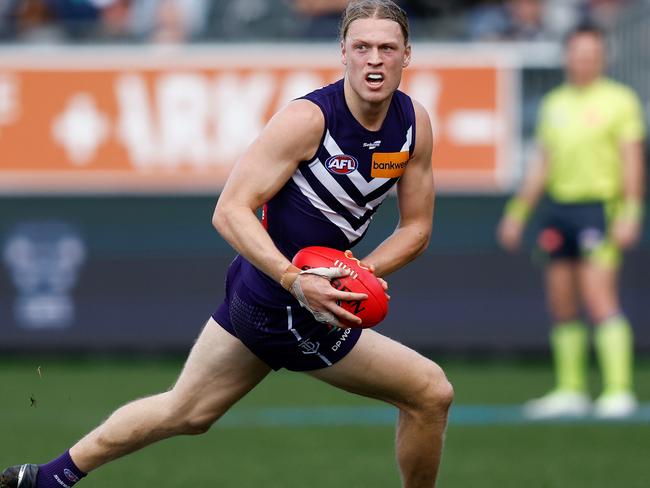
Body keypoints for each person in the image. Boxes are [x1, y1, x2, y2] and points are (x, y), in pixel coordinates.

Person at [1, 1, 453, 487]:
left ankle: (47, 479)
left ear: (407, 55)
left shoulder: (413, 123)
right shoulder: (309, 119)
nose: (374, 59)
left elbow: (417, 229)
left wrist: (353, 273)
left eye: (387, 48)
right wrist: (299, 282)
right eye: (361, 47)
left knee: (187, 410)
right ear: (342, 51)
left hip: (284, 293)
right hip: (281, 298)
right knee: (430, 392)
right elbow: (229, 209)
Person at [497, 24, 645, 419]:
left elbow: (632, 161)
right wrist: (517, 213)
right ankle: (571, 389)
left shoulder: (620, 101)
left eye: (591, 53)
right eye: (577, 53)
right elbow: (542, 163)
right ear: (568, 56)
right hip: (557, 211)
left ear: (602, 57)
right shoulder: (555, 104)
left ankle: (617, 391)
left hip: (598, 208)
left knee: (599, 299)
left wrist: (631, 212)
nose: (584, 60)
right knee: (561, 301)